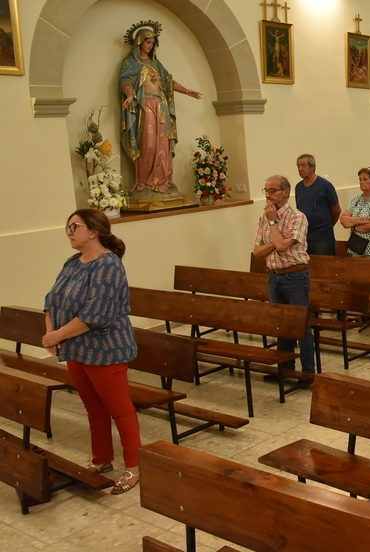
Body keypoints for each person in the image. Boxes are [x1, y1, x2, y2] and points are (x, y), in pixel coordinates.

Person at [42, 209, 141, 495]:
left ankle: (134, 467)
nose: (69, 232)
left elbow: (96, 314)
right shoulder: (74, 262)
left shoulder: (108, 265)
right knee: (93, 407)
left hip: (106, 349)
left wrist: (57, 335)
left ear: (94, 231)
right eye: (67, 227)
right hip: (76, 348)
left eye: (75, 226)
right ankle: (101, 459)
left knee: (119, 409)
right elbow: (51, 300)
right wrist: (51, 333)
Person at [119, 22, 201, 195]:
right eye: (147, 42)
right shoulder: (131, 62)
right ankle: (145, 182)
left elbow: (168, 81)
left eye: (152, 43)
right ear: (139, 42)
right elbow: (125, 80)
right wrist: (128, 94)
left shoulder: (156, 63)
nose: (150, 46)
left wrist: (186, 91)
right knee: (148, 144)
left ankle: (162, 180)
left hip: (161, 106)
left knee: (163, 143)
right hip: (145, 105)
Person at [252, 175, 315, 378]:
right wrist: (275, 235)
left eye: (273, 191)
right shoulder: (263, 218)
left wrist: (273, 224)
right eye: (266, 191)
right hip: (274, 277)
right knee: (281, 325)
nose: (268, 195)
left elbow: (281, 247)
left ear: (286, 192)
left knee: (300, 325)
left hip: (295, 277)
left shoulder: (298, 217)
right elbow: (257, 252)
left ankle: (307, 372)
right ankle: (286, 369)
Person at [294, 154, 341, 255]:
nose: (300, 169)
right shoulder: (298, 187)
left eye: (303, 165)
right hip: (305, 235)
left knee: (325, 266)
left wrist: (327, 226)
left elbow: (336, 210)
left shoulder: (325, 186)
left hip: (322, 236)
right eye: (298, 166)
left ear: (313, 167)